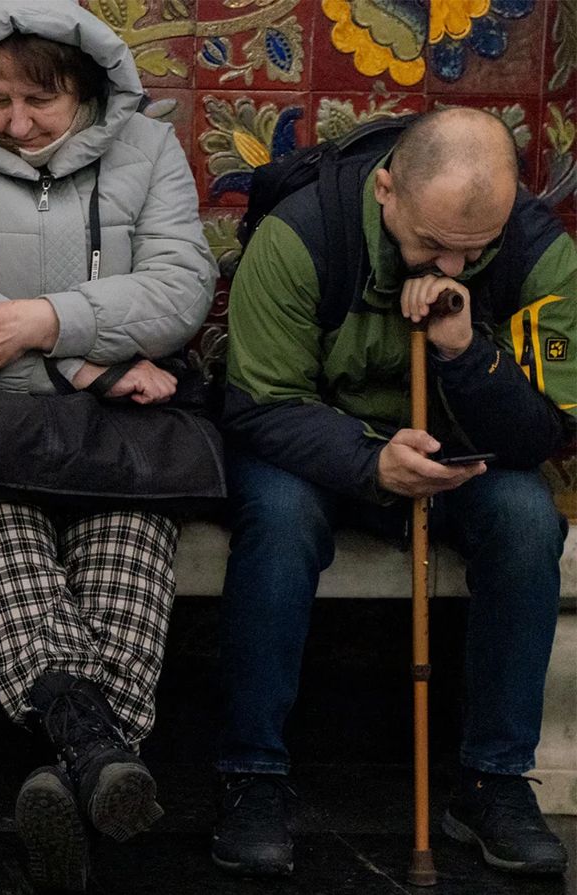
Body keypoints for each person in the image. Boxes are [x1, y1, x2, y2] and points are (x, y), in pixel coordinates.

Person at [0, 0, 215, 888]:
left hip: (116, 431)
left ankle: (80, 761)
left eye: (40, 102)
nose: (17, 124)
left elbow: (180, 290)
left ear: (87, 91)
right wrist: (86, 364)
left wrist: (41, 321)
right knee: (5, 541)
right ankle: (104, 759)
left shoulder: (150, 151)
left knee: (127, 545)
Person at [214, 107, 574, 878]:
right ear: (386, 190)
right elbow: (259, 406)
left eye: (474, 250)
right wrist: (371, 461)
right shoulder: (302, 235)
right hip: (317, 453)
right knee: (277, 517)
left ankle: (494, 781)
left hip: (456, 456)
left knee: (526, 517)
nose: (452, 265)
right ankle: (252, 775)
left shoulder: (539, 252)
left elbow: (543, 433)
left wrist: (463, 350)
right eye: (433, 243)